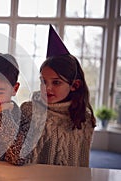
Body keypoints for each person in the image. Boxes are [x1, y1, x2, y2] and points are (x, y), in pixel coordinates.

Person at [5, 25, 96, 167]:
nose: (47, 88)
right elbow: (17, 151)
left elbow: (82, 162)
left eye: (56, 82)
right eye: (43, 81)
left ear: (74, 85)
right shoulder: (29, 110)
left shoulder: (84, 118)